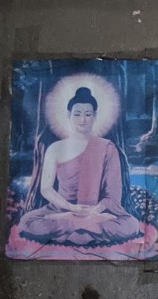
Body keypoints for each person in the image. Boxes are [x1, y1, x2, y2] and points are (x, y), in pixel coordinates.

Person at [15, 85, 145, 247]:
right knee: (27, 221)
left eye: (88, 114)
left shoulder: (107, 147)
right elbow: (46, 189)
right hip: (61, 209)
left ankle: (73, 228)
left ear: (95, 116)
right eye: (77, 114)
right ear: (68, 115)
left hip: (97, 210)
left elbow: (112, 194)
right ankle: (87, 230)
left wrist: (95, 211)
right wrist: (70, 208)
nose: (82, 120)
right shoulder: (56, 148)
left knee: (131, 224)